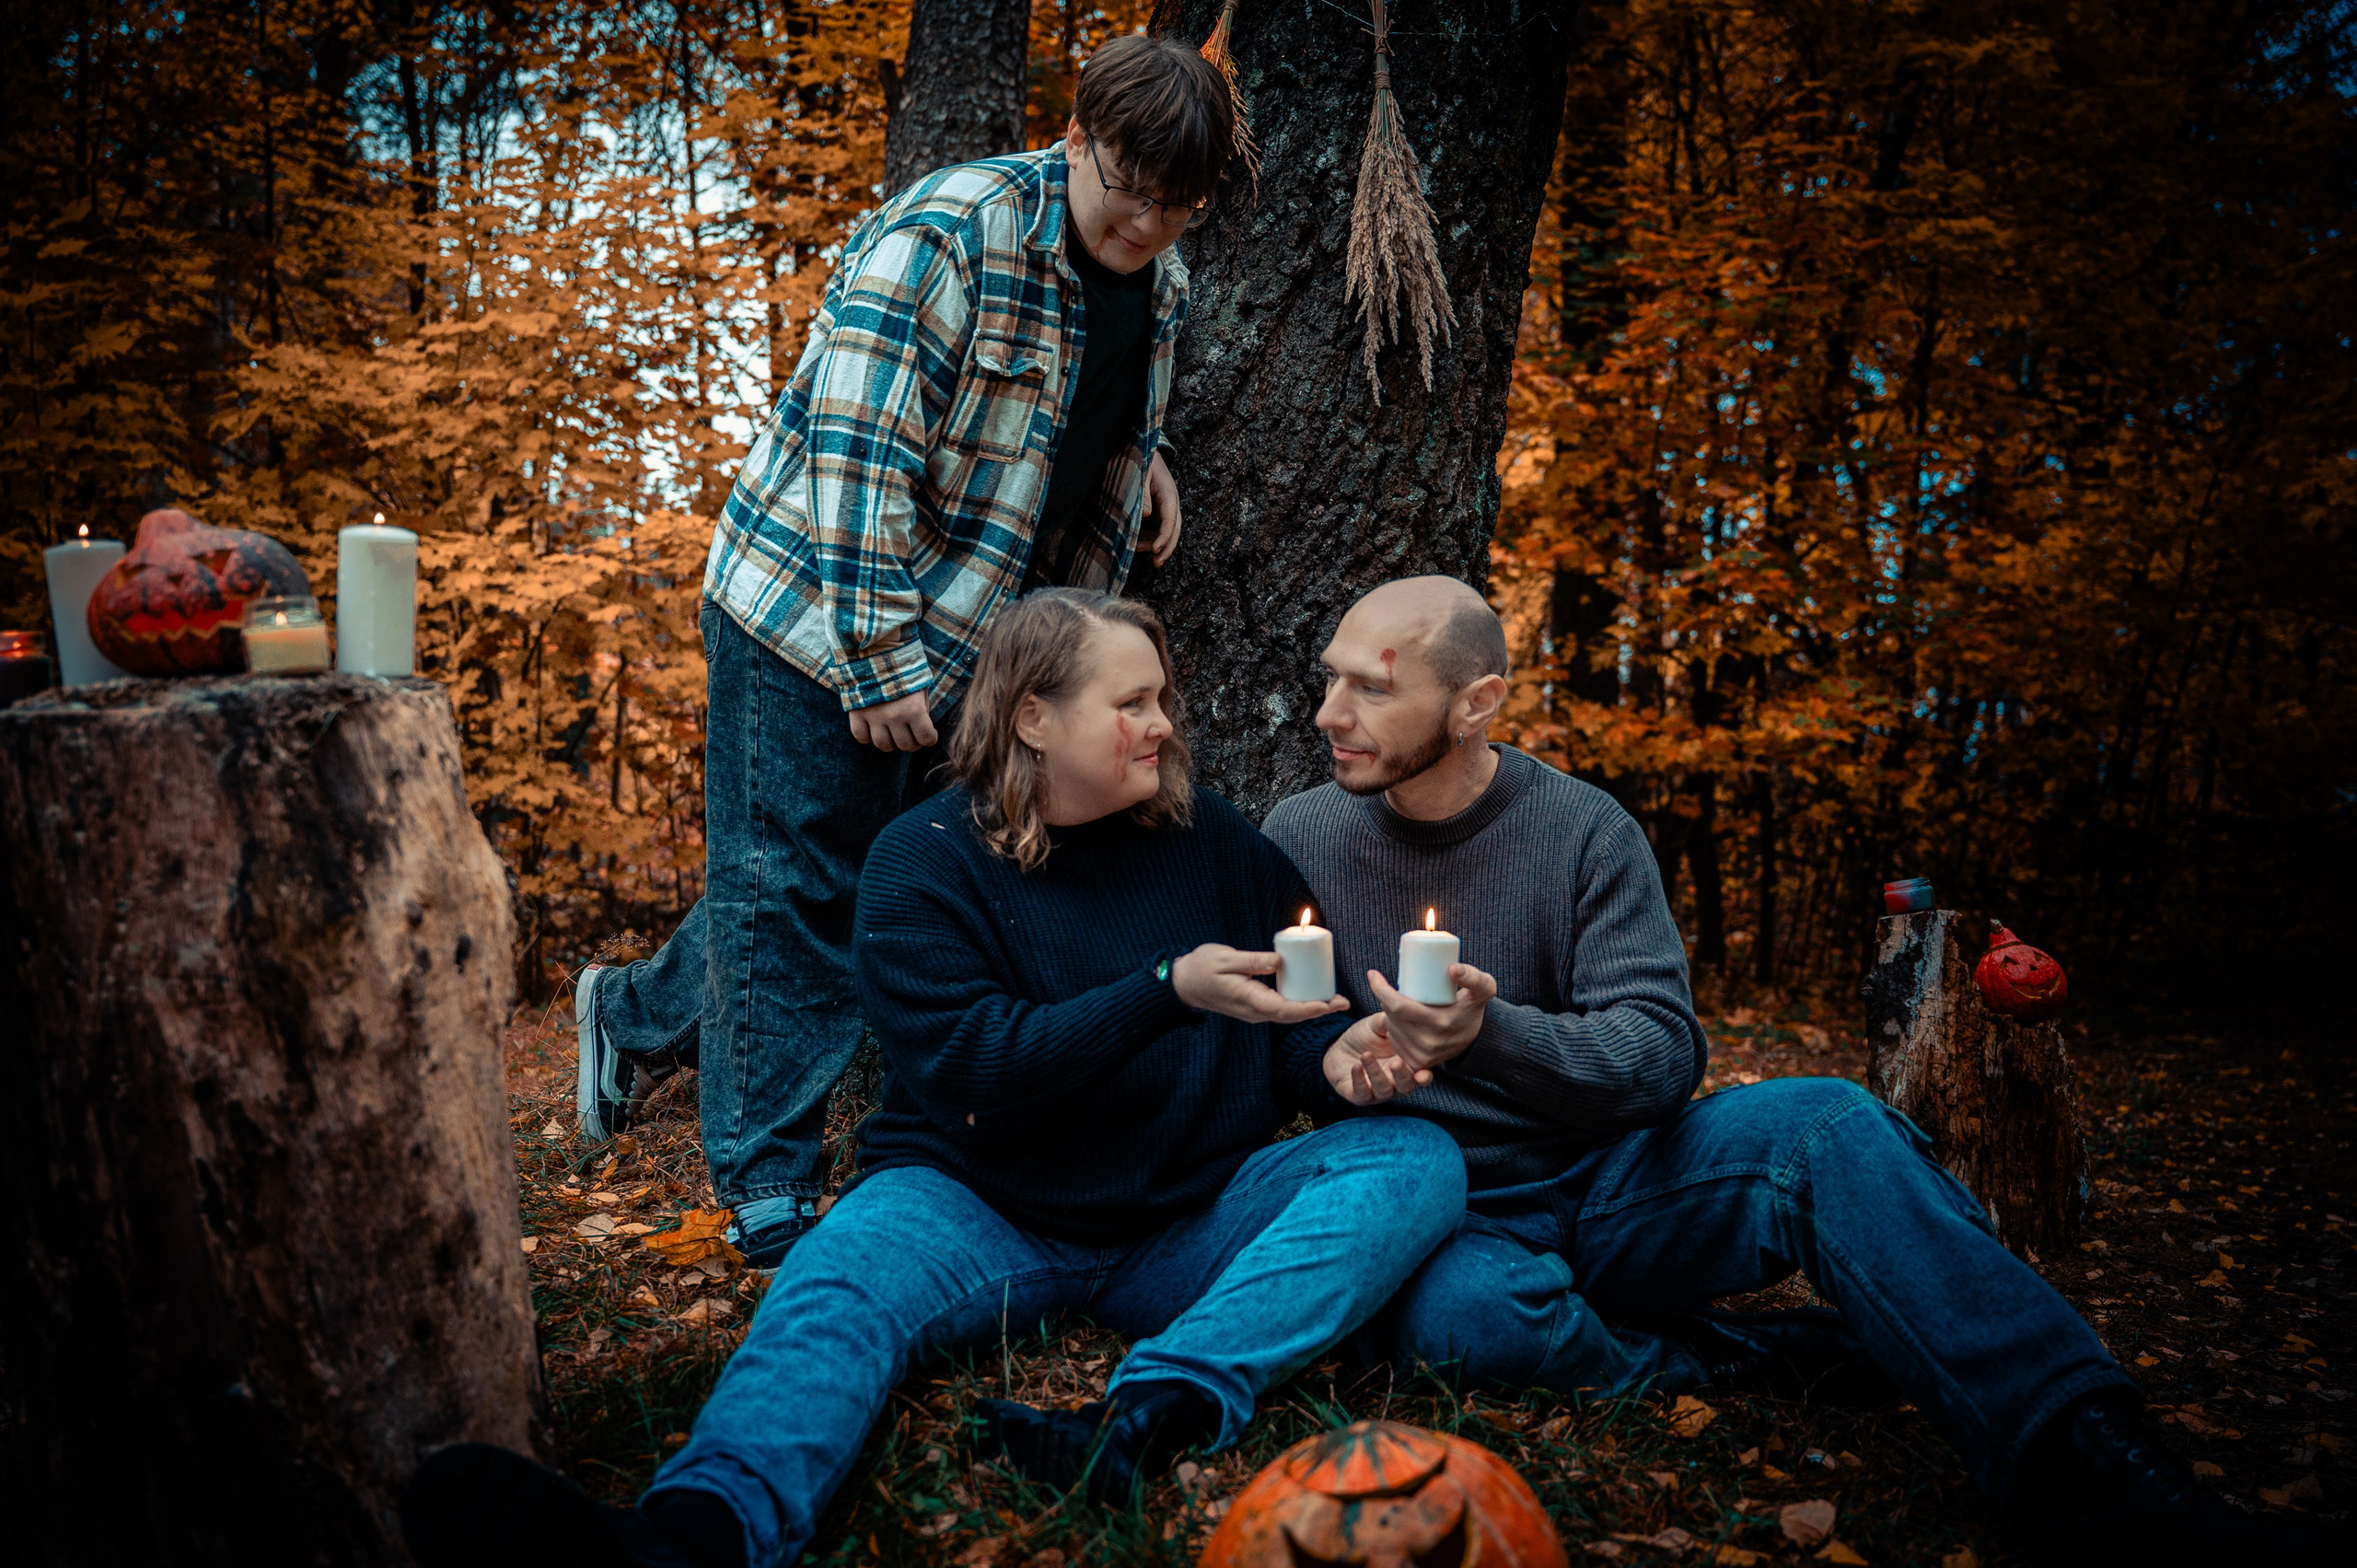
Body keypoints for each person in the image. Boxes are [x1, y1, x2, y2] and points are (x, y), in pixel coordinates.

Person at [1265, 575, 2330, 1568]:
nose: (1328, 710)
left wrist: (1492, 1036)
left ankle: (2081, 1445)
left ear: (1475, 701)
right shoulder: (1298, 834)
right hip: (1443, 1211)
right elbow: (1269, 1044)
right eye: (1328, 674)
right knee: (1463, 1324)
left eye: (1370, 684)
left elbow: (1658, 1057)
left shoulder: (1583, 829)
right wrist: (1328, 1056)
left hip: (1615, 1184)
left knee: (1824, 1123)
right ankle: (1740, 1358)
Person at [403, 590, 1464, 1568]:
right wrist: (1162, 988)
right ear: (1034, 717)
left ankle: (1150, 1411)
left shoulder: (1218, 843)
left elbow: (1280, 1033)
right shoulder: (925, 857)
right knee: (834, 1283)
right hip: (975, 1202)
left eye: (1161, 699)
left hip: (1185, 1212)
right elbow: (975, 1070)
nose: (1161, 725)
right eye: (1131, 701)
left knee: (1412, 1156)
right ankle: (698, 1531)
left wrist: (1337, 1063)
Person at [570, 35, 1239, 1268]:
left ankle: (635, 1009)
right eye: (1128, 187)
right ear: (1079, 137)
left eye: (1177, 203)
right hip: (818, 607)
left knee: (880, 884)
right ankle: (767, 1178)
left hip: (983, 637)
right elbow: (856, 456)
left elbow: (1062, 419)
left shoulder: (1168, 286)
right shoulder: (948, 233)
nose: (1146, 222)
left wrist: (1141, 467)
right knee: (796, 879)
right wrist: (873, 663)